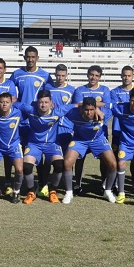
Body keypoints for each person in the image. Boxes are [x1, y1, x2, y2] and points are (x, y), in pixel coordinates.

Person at [10, 46, 53, 194]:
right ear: (24, 58)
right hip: (22, 120)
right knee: (21, 152)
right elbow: (9, 93)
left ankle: (43, 183)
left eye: (33, 57)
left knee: (41, 152)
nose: (30, 59)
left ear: (37, 58)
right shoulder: (16, 74)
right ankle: (17, 183)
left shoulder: (45, 75)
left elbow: (48, 96)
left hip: (38, 119)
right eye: (28, 57)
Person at [60, 97, 116, 204]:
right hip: (79, 140)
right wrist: (77, 105)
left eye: (92, 110)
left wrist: (99, 109)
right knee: (67, 162)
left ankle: (108, 191)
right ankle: (69, 192)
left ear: (95, 108)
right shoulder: (73, 113)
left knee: (113, 164)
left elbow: (113, 106)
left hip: (98, 140)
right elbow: (62, 108)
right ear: (81, 109)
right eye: (86, 110)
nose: (89, 112)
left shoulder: (105, 113)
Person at [16, 90, 68, 205]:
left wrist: (97, 109)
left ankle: (53, 190)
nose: (43, 105)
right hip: (34, 144)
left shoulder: (57, 112)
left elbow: (77, 105)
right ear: (37, 102)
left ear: (51, 103)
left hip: (52, 144)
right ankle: (31, 192)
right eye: (41, 102)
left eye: (46, 102)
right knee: (27, 166)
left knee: (59, 165)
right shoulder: (31, 110)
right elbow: (14, 103)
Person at [71, 64, 111, 194]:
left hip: (99, 131)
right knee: (78, 158)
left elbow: (108, 105)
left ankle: (104, 184)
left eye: (96, 75)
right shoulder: (79, 90)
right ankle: (77, 184)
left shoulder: (105, 90)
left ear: (100, 77)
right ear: (88, 75)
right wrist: (97, 107)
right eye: (91, 75)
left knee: (104, 159)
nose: (93, 77)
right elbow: (78, 105)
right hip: (81, 132)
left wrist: (90, 105)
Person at [38, 64, 75, 198]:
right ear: (54, 75)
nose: (60, 78)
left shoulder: (71, 90)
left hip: (66, 128)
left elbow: (74, 109)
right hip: (51, 127)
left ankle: (66, 185)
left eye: (62, 76)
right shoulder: (47, 88)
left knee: (66, 158)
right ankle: (44, 184)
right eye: (58, 75)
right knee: (48, 158)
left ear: (66, 76)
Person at [111, 65, 134, 193]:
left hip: (133, 130)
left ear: (133, 76)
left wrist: (122, 105)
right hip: (118, 129)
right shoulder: (114, 92)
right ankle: (116, 184)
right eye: (124, 75)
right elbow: (115, 108)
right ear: (121, 76)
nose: (126, 78)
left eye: (129, 75)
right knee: (116, 157)